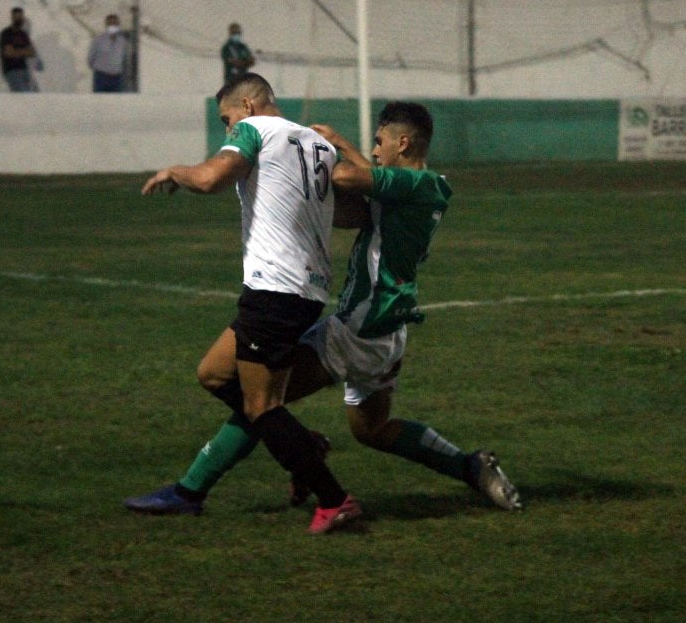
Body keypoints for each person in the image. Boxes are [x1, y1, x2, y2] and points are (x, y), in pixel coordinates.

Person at [124, 101, 522, 522]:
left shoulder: (411, 183)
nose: (373, 151)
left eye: (379, 142)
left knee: (261, 404)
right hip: (387, 332)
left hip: (359, 327)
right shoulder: (429, 186)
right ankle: (470, 466)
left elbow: (347, 176)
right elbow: (365, 190)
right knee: (371, 429)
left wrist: (321, 151)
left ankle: (192, 490)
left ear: (403, 143)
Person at [128, 73, 361, 534]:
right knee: (213, 373)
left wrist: (176, 170)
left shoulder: (255, 131)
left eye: (227, 119)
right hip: (304, 288)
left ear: (249, 105)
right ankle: (295, 442)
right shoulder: (315, 144)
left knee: (261, 406)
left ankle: (334, 499)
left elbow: (213, 178)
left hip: (276, 290)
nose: (227, 130)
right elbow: (351, 214)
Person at [0, 7, 38, 92]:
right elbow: (8, 53)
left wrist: (17, 51)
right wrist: (24, 51)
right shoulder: (6, 33)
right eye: (16, 16)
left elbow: (32, 52)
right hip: (12, 71)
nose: (18, 19)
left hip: (24, 70)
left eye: (20, 17)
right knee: (24, 98)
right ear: (12, 17)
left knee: (37, 97)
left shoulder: (23, 34)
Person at [87, 14, 128, 92]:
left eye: (115, 24)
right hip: (101, 77)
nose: (112, 26)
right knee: (100, 101)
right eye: (110, 24)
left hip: (117, 77)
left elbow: (124, 58)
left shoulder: (123, 41)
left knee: (116, 102)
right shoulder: (98, 40)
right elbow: (90, 58)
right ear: (106, 25)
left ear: (118, 25)